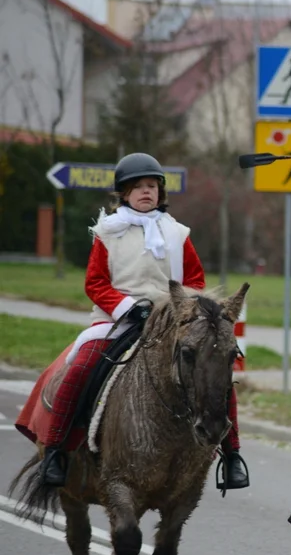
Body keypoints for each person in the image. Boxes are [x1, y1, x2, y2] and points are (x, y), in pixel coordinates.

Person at [37, 153, 250, 491]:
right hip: (116, 320)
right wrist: (126, 307)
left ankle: (232, 455)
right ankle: (55, 450)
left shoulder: (178, 233)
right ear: (124, 193)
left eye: (151, 186)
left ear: (160, 191)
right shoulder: (107, 232)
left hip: (173, 320)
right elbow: (95, 283)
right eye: (138, 187)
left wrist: (183, 310)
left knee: (215, 370)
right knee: (80, 365)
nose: (146, 192)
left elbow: (194, 278)